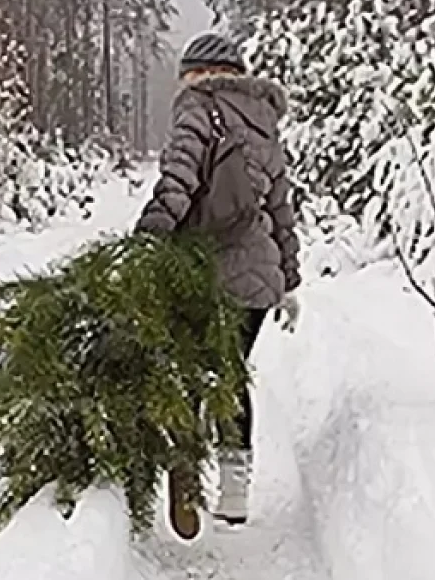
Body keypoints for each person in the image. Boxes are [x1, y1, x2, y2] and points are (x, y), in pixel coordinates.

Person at [134, 31, 301, 536]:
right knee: (228, 374)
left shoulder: (198, 109)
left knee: (188, 370)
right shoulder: (265, 122)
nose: (184, 81)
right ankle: (233, 495)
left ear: (202, 72)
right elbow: (280, 210)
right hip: (257, 277)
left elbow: (178, 180)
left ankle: (184, 457)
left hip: (202, 268)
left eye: (187, 73)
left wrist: (148, 236)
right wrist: (289, 279)